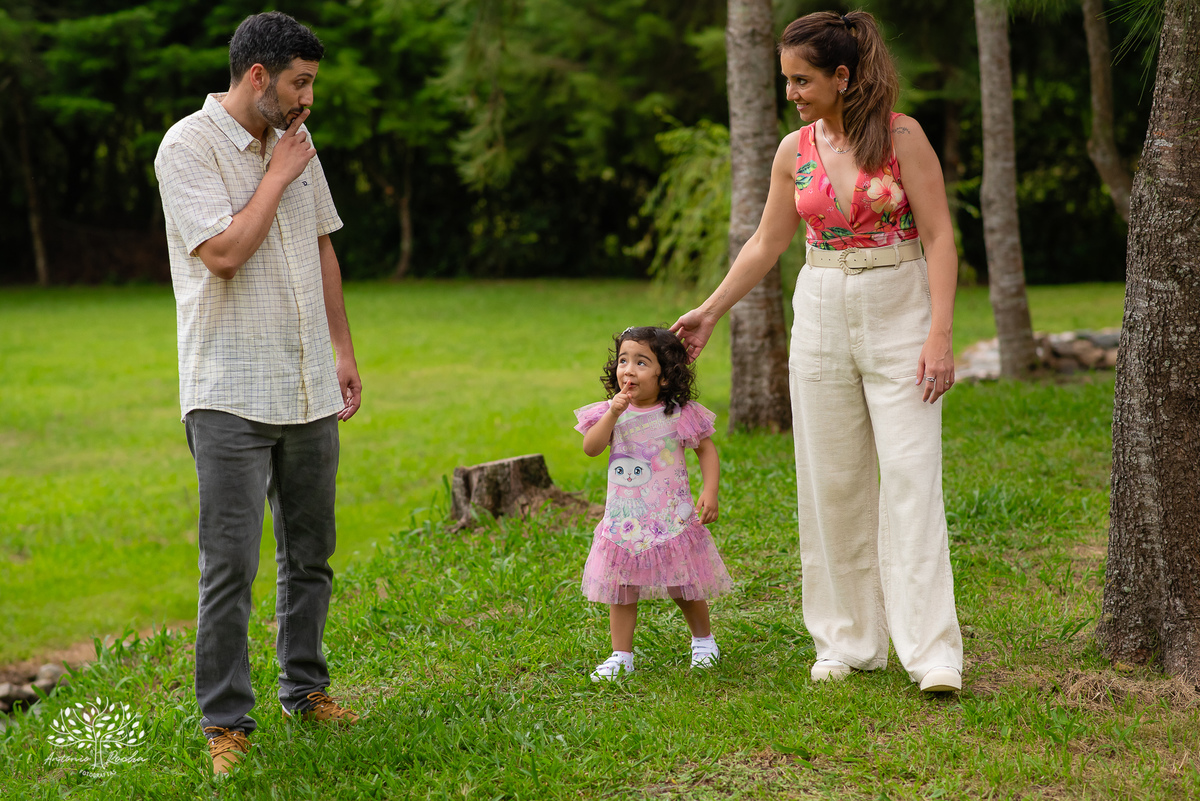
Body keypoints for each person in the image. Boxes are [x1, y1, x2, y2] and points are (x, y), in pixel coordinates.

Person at [671, 10, 963, 693]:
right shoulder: (793, 149)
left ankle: (932, 653)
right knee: (830, 482)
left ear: (842, 74)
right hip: (823, 309)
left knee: (912, 478)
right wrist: (711, 309)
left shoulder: (903, 136)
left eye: (802, 80)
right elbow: (767, 243)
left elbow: (942, 236)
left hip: (900, 302)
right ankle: (847, 642)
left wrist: (940, 332)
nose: (792, 93)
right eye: (786, 81)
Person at [153, 11, 362, 774]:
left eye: (313, 83)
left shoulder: (300, 144)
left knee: (311, 555)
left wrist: (342, 349)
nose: (309, 99)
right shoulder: (187, 147)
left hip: (307, 382)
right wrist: (277, 173)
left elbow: (321, 246)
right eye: (300, 84)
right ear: (258, 77)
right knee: (230, 566)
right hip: (229, 389)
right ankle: (226, 723)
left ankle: (306, 690)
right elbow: (224, 254)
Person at [574, 326, 733, 681]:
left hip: (669, 516)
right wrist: (613, 414)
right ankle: (621, 655)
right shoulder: (609, 413)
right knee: (622, 587)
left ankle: (704, 641)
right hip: (624, 520)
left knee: (683, 583)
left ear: (664, 377)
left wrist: (711, 491)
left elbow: (706, 450)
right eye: (623, 360)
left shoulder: (678, 413)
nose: (628, 370)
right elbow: (591, 448)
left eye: (641, 362)